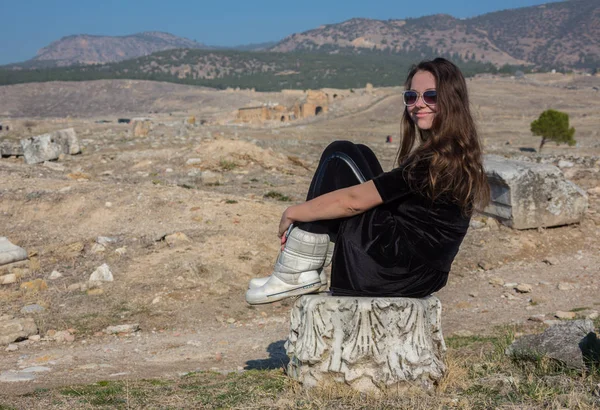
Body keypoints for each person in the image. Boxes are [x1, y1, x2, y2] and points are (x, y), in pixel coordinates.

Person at [245, 57, 490, 305]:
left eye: (431, 96)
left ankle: (295, 270)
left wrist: (293, 212)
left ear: (451, 101)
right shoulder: (453, 154)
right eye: (411, 97)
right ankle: (302, 267)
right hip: (419, 272)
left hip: (395, 271)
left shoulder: (433, 161)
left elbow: (353, 201)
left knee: (340, 155)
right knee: (361, 153)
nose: (418, 104)